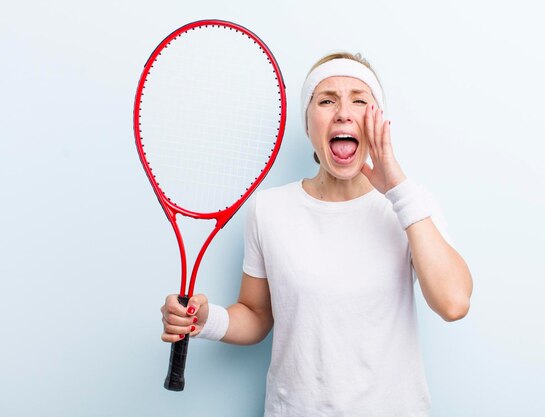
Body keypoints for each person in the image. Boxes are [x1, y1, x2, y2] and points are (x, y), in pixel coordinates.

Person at [160, 52, 473, 416]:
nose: (343, 112)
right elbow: (257, 314)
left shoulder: (412, 205)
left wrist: (397, 189)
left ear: (378, 121)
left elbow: (454, 303)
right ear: (308, 126)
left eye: (360, 100)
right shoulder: (269, 210)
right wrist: (205, 319)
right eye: (327, 100)